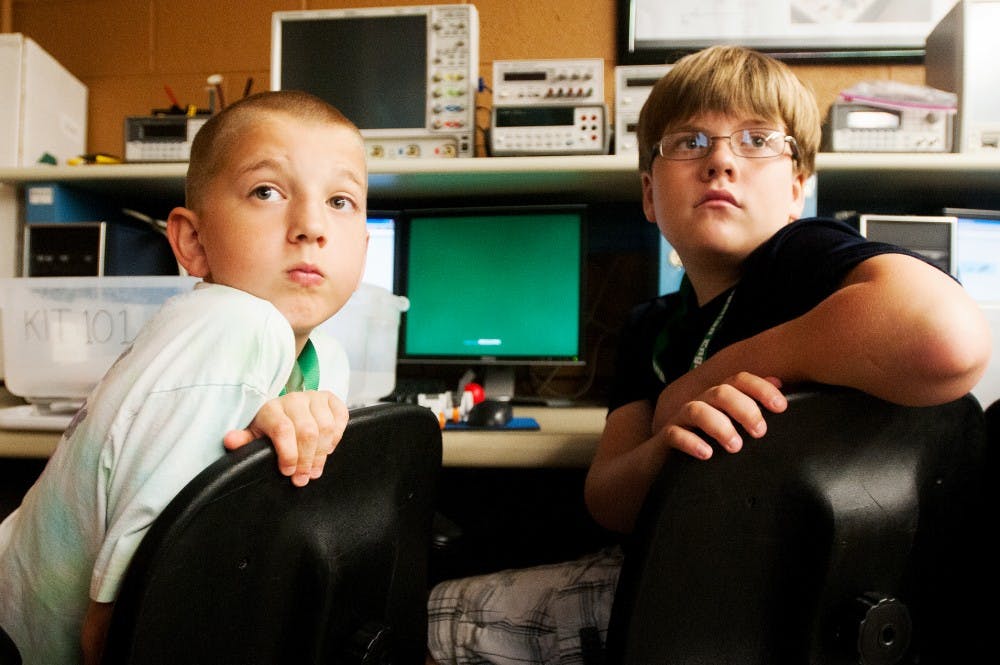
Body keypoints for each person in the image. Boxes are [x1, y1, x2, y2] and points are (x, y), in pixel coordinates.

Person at [426, 45, 991, 664]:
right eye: (689, 142)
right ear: (648, 194)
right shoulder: (652, 326)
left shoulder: (801, 258)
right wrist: (664, 452)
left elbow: (949, 338)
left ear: (797, 189)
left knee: (429, 617)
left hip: (794, 597)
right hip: (695, 583)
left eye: (756, 140)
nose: (721, 159)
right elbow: (609, 500)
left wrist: (703, 382)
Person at [0, 90, 371, 665]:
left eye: (341, 200)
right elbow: (118, 636)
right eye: (267, 192)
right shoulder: (229, 324)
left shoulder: (324, 357)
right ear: (192, 242)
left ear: (364, 247)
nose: (311, 226)